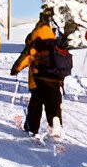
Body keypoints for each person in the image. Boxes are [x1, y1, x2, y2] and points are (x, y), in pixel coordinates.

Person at [10, 8, 69, 138]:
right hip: (55, 79)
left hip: (38, 80)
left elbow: (25, 58)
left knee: (35, 104)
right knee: (53, 103)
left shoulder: (35, 42)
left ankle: (32, 128)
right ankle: (55, 122)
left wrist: (15, 70)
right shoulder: (55, 42)